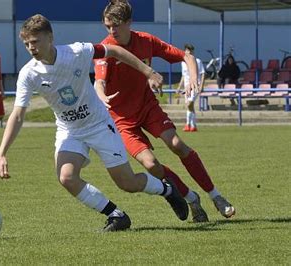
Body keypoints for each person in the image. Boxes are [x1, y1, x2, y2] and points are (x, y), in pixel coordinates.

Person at [0, 14, 189, 232]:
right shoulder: (28, 74)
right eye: (26, 44)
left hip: (99, 125)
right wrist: (2, 152)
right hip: (70, 130)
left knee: (127, 183)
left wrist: (149, 72)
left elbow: (114, 50)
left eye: (35, 41)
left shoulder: (76, 52)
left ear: (50, 37)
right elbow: (18, 114)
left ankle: (167, 190)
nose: (31, 48)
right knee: (66, 177)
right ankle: (116, 216)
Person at [94, 0, 235, 222]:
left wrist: (193, 78)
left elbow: (185, 56)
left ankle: (216, 196)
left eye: (116, 26)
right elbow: (99, 82)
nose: (112, 31)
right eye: (107, 26)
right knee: (150, 164)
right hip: (122, 120)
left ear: (129, 22)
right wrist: (101, 95)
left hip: (147, 107)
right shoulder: (105, 49)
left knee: (177, 145)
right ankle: (191, 198)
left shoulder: (146, 41)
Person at [177, 44, 205, 132]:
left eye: (190, 50)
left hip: (195, 86)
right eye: (187, 50)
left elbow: (203, 74)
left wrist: (201, 86)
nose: (189, 52)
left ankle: (188, 124)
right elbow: (183, 76)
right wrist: (179, 86)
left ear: (193, 51)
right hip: (186, 88)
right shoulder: (183, 63)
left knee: (189, 104)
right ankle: (193, 125)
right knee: (189, 106)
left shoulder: (198, 61)